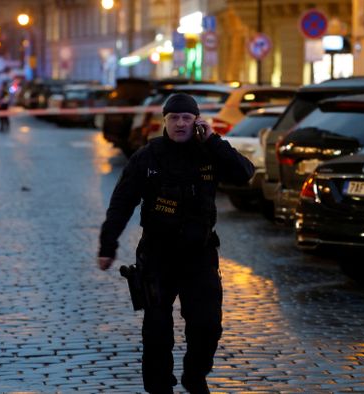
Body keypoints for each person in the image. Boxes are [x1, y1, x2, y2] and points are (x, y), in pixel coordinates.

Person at [98, 93, 254, 394]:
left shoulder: (209, 152)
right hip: (158, 255)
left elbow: (244, 174)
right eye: (174, 118)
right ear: (164, 122)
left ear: (196, 121)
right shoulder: (147, 157)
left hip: (200, 255)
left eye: (186, 118)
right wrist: (108, 245)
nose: (180, 123)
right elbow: (121, 204)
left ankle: (195, 375)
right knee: (157, 331)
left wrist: (214, 141)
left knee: (208, 326)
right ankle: (159, 388)